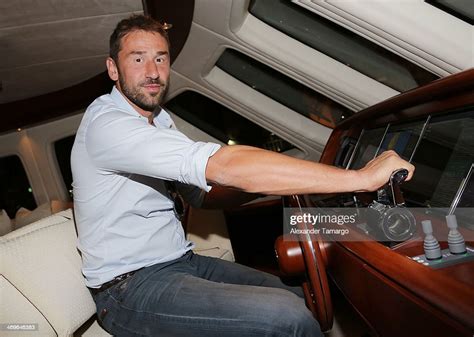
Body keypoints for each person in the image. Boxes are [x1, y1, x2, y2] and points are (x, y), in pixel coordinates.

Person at [71, 15, 414, 337]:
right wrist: (361, 178)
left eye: (161, 59)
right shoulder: (108, 124)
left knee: (295, 293)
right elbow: (222, 165)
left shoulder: (159, 120)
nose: (153, 71)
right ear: (113, 69)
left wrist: (274, 185)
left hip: (179, 262)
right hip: (129, 289)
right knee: (287, 316)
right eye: (138, 59)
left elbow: (202, 196)